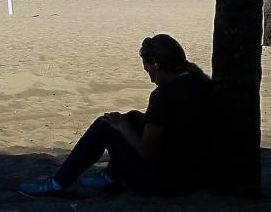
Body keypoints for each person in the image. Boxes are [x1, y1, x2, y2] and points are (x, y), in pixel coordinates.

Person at [19, 33, 212, 197]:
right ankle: (110, 177)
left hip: (164, 182)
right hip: (196, 175)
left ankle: (58, 184)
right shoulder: (200, 82)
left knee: (106, 125)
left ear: (156, 64)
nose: (151, 79)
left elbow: (147, 151)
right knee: (135, 116)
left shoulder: (163, 95)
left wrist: (123, 126)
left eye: (149, 72)